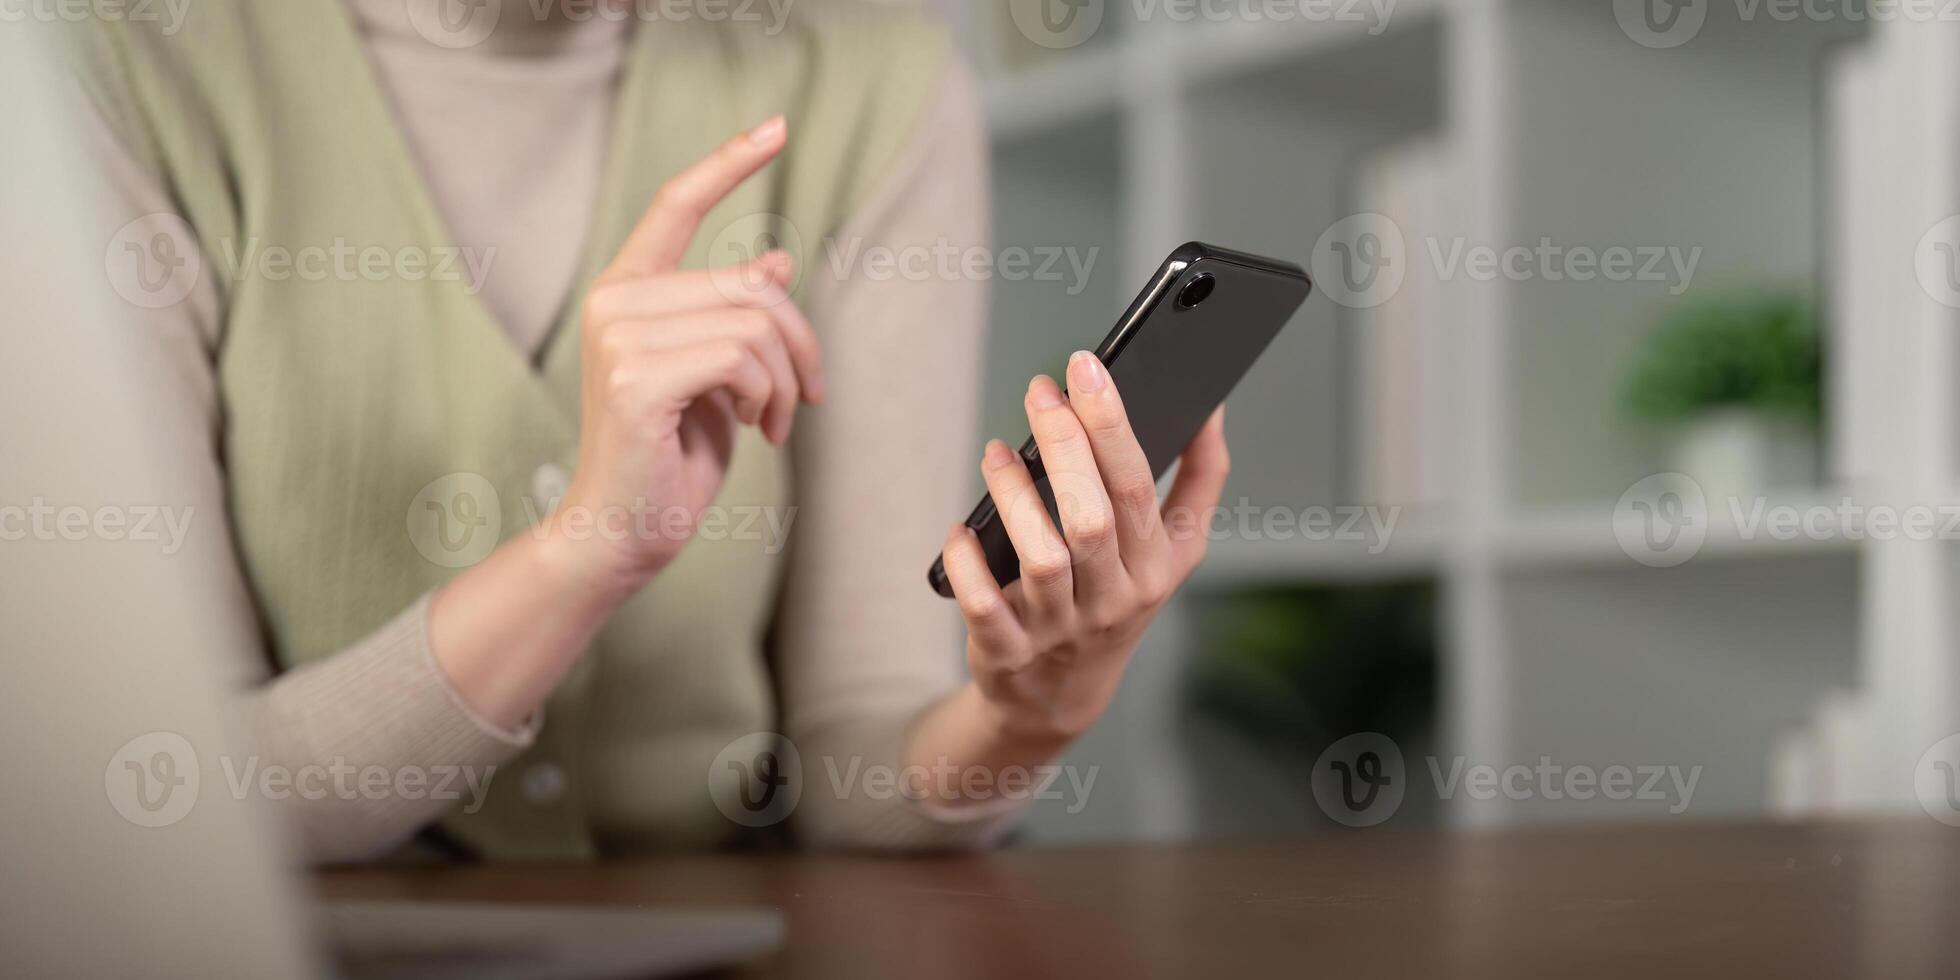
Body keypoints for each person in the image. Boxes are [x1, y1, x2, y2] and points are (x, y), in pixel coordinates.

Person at [61, 0, 1230, 862]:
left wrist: (1023, 716)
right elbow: (163, 797)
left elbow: (853, 761)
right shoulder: (116, 62)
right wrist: (581, 552)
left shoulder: (875, 73)